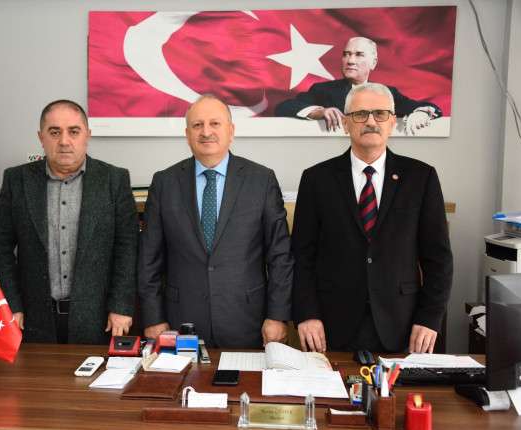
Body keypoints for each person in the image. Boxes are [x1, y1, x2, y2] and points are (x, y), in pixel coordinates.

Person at [291, 83, 453, 353]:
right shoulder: (316, 179)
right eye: (360, 114)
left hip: (404, 325)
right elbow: (301, 256)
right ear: (345, 124)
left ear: (392, 122)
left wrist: (429, 318)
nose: (370, 121)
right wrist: (307, 314)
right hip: (332, 325)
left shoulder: (421, 178)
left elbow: (439, 259)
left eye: (380, 114)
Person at [138, 95, 293, 348]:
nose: (206, 132)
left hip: (247, 320)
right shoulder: (165, 183)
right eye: (197, 125)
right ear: (187, 134)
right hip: (180, 322)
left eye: (215, 123)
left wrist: (277, 316)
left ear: (231, 131)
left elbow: (280, 255)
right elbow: (149, 258)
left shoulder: (261, 180)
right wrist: (153, 317)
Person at [0, 99, 138, 344]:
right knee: (37, 372)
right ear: (41, 137)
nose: (65, 141)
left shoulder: (114, 180)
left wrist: (121, 305)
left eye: (74, 131)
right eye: (55, 132)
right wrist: (10, 304)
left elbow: (128, 248)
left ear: (87, 135)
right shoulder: (17, 180)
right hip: (31, 320)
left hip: (99, 319)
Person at [275, 37, 442, 135]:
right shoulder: (323, 90)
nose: (350, 60)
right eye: (346, 54)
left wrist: (421, 113)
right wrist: (319, 112)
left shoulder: (386, 93)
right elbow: (283, 107)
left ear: (373, 63)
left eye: (359, 55)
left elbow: (429, 107)